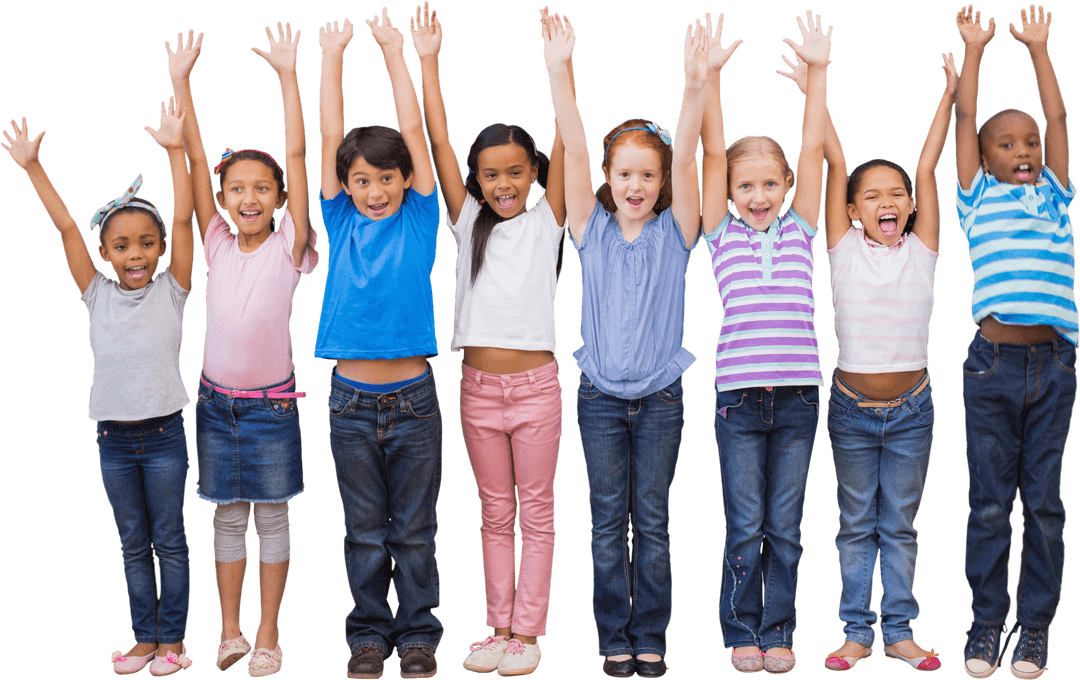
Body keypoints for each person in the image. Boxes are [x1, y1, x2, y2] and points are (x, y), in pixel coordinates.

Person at [777, 46, 955, 674]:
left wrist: (950, 92)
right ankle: (856, 633)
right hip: (852, 409)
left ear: (909, 207)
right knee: (856, 525)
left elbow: (930, 164)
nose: (888, 200)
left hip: (913, 410)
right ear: (853, 210)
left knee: (899, 526)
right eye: (872, 195)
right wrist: (813, 91)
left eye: (897, 194)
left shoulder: (924, 249)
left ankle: (900, 632)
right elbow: (834, 160)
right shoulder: (841, 247)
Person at [3, 102, 196, 676]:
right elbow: (66, 227)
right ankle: (143, 638)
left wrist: (174, 153)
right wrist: (33, 167)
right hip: (113, 438)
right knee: (133, 542)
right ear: (105, 253)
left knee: (169, 539)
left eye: (145, 243)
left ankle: (175, 643)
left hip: (164, 435)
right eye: (121, 246)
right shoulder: (96, 294)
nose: (134, 254)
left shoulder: (174, 290)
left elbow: (185, 219)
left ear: (159, 248)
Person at [544, 12, 708, 678]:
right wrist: (559, 69)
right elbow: (575, 150)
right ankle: (616, 635)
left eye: (648, 175)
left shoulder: (678, 231)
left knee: (655, 521)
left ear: (662, 183)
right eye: (624, 175)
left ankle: (653, 636)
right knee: (609, 521)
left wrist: (695, 86)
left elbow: (690, 153)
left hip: (662, 397)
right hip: (601, 398)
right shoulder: (592, 231)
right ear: (608, 181)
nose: (635, 186)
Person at [412, 3, 567, 675]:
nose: (503, 183)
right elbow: (438, 144)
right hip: (477, 389)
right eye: (491, 174)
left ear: (533, 171)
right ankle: (498, 627)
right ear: (478, 180)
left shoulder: (549, 223)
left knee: (536, 512)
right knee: (494, 513)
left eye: (515, 172)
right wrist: (429, 61)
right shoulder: (467, 220)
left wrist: (558, 68)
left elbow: (575, 143)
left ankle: (528, 635)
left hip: (537, 389)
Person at [166, 24, 318, 677]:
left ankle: (268, 634)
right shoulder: (215, 243)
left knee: (272, 524)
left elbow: (299, 152)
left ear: (280, 199)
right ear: (225, 202)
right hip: (215, 405)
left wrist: (289, 77)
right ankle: (228, 632)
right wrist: (181, 82)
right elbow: (199, 162)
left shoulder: (293, 245)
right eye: (238, 189)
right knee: (226, 522)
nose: (248, 197)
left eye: (263, 188)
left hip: (270, 410)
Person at [700, 10, 831, 675]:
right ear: (729, 191)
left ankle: (779, 627)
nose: (758, 194)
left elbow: (812, 151)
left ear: (785, 187)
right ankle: (740, 630)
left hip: (802, 398)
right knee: (745, 527)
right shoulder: (720, 235)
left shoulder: (801, 230)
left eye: (769, 184)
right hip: (739, 401)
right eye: (745, 185)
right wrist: (712, 81)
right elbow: (713, 150)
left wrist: (819, 75)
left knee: (785, 527)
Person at [317, 9, 443, 680]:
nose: (374, 190)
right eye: (361, 179)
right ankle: (369, 634)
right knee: (365, 533)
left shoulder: (421, 211)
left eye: (386, 177)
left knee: (414, 532)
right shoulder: (338, 215)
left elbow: (415, 130)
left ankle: (419, 634)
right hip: (350, 402)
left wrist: (395, 52)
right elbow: (330, 134)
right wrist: (332, 59)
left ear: (404, 179)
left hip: (415, 399)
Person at [954, 6, 1076, 679]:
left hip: (1056, 363)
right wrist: (975, 50)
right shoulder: (976, 198)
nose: (1025, 151)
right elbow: (966, 119)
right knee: (991, 505)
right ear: (984, 156)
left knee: (1046, 504)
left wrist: (1039, 51)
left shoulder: (1056, 193)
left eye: (1028, 143)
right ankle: (985, 625)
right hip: (992, 366)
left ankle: (1035, 629)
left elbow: (1058, 119)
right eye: (1008, 144)